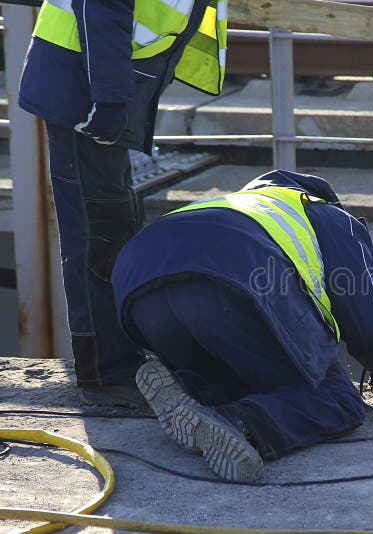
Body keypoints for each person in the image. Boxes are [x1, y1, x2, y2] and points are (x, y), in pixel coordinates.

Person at [111, 169, 373, 482]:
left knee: (233, 381)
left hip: (138, 288)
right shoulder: (328, 215)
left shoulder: (244, 204)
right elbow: (370, 325)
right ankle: (239, 424)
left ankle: (191, 394)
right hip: (226, 281)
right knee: (337, 398)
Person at [17, 0, 227, 407]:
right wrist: (109, 101)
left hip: (102, 81)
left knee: (112, 221)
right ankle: (105, 371)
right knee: (97, 232)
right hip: (87, 88)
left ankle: (120, 358)